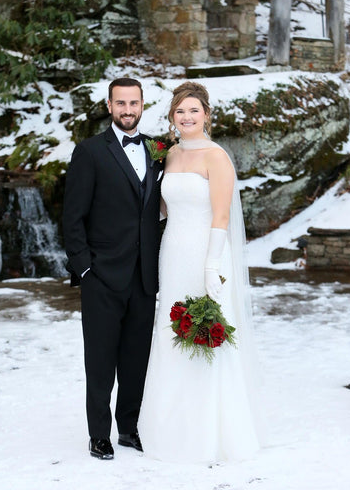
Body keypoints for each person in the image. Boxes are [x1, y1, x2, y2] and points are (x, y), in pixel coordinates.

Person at [138, 81, 263, 464]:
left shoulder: (216, 157)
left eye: (194, 110)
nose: (187, 117)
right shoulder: (169, 155)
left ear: (206, 115)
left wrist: (212, 266)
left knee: (202, 333)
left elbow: (221, 216)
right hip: (172, 252)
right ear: (172, 118)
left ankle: (209, 432)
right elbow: (161, 207)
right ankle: (167, 427)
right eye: (180, 111)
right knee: (169, 330)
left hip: (206, 254)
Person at [63, 77, 162, 460]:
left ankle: (129, 428)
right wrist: (85, 269)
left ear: (142, 105)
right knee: (101, 361)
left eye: (133, 103)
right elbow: (72, 218)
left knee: (136, 358)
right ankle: (98, 435)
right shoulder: (89, 152)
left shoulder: (158, 150)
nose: (127, 110)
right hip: (102, 276)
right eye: (120, 103)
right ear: (109, 106)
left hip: (143, 276)